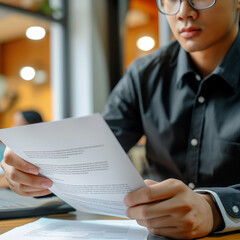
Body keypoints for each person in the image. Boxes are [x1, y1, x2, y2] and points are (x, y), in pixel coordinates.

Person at [1, 0, 240, 238]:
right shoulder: (143, 74)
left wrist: (215, 208)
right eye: (171, 0)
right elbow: (96, 149)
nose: (183, 12)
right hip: (151, 232)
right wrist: (35, 167)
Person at [0, 110, 43, 188]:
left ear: (30, 126)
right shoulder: (5, 148)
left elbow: (11, 179)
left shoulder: (30, 153)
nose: (12, 126)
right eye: (13, 122)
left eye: (17, 123)